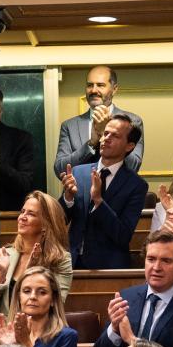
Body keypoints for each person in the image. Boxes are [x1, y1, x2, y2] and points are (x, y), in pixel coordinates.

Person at [61, 114, 147, 270]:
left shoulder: (136, 185)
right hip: (71, 264)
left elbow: (123, 235)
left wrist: (99, 201)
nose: (106, 138)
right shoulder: (78, 173)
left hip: (109, 268)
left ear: (129, 146)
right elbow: (61, 220)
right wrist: (67, 198)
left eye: (115, 136)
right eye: (105, 133)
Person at [0, 191, 73, 329]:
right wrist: (1, 274)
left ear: (46, 224)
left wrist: (31, 271)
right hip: (4, 341)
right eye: (23, 212)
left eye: (31, 214)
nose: (22, 217)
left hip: (41, 339)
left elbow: (54, 305)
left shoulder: (61, 260)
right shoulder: (2, 256)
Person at [52, 65, 145, 176]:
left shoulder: (132, 122)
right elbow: (60, 170)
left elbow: (133, 166)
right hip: (80, 192)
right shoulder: (69, 126)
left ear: (114, 89)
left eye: (100, 85)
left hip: (117, 192)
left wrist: (103, 135)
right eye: (90, 85)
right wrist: (90, 145)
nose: (94, 90)